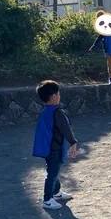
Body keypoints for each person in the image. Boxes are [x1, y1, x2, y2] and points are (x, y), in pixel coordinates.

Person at [32, 80, 78, 210]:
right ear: (54, 96)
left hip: (47, 148)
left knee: (54, 171)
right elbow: (66, 129)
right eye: (58, 93)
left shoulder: (45, 112)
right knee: (52, 174)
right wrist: (73, 143)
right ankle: (47, 199)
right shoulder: (57, 112)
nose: (59, 96)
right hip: (55, 148)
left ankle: (56, 193)